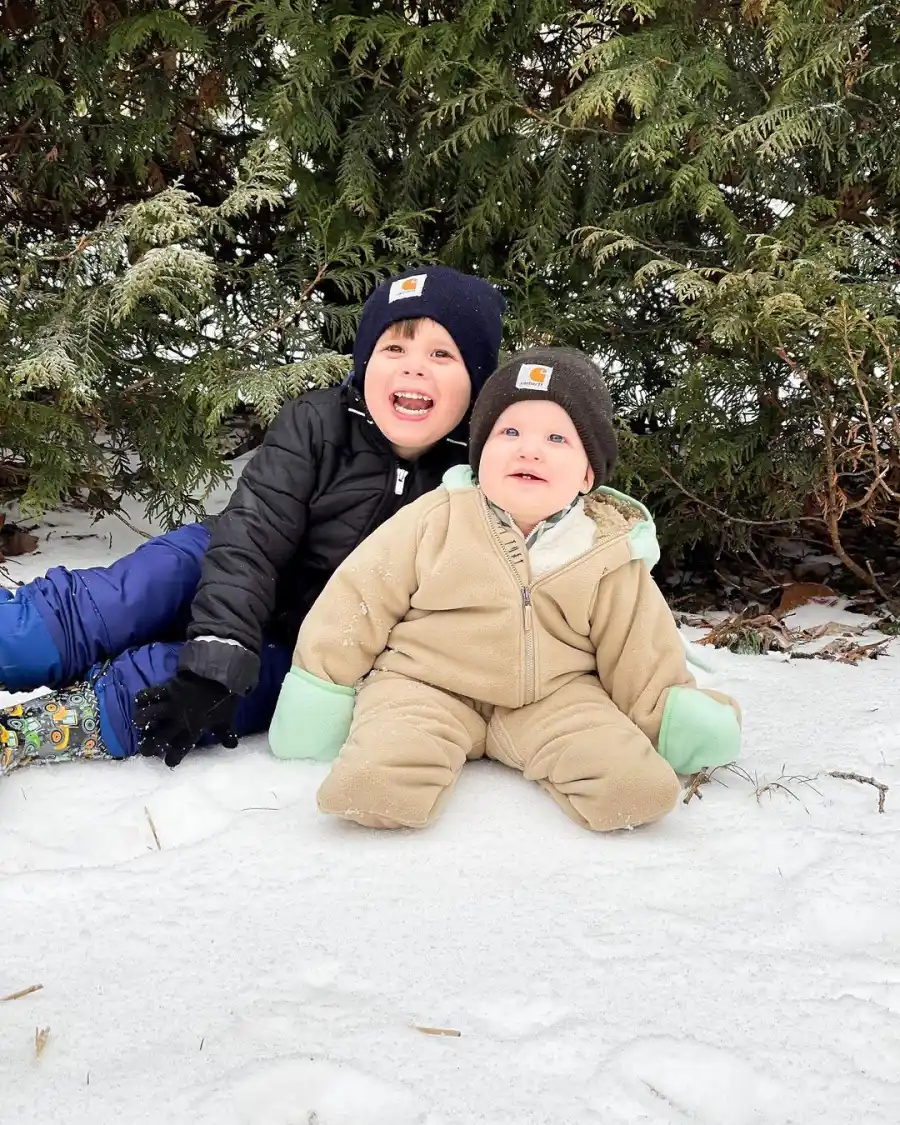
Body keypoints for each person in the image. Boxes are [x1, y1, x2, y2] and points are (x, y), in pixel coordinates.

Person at [0, 267, 506, 776]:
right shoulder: (317, 423)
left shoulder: (480, 481)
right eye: (393, 349)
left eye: (442, 354)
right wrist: (219, 647)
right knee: (113, 604)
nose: (413, 369)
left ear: (478, 379)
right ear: (365, 361)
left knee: (190, 689)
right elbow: (251, 540)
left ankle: (36, 728)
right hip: (223, 562)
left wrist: (212, 677)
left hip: (313, 646)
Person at [269, 348, 742, 832]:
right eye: (509, 432)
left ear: (587, 473)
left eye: (556, 438)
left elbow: (640, 646)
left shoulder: (604, 548)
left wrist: (665, 713)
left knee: (636, 790)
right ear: (479, 454)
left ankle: (614, 764)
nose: (528, 450)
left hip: (556, 698)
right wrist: (322, 690)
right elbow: (359, 599)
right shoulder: (437, 518)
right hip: (425, 686)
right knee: (377, 778)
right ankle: (391, 770)